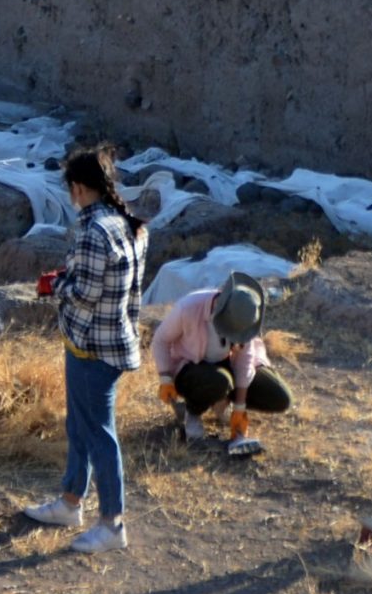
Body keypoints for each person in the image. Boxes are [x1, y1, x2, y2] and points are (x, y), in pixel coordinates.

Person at [19, 149, 148, 555]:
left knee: (98, 435)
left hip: (94, 346)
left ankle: (113, 524)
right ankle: (71, 502)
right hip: (108, 340)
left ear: (78, 187)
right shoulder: (126, 223)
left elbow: (86, 294)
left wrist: (53, 286)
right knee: (79, 425)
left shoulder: (94, 231)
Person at [150, 271, 289, 452]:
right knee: (219, 381)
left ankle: (223, 403)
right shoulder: (189, 308)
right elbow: (160, 340)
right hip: (192, 369)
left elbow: (245, 359)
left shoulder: (244, 316)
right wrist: (165, 377)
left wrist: (239, 407)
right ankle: (191, 414)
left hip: (226, 367)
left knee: (279, 396)